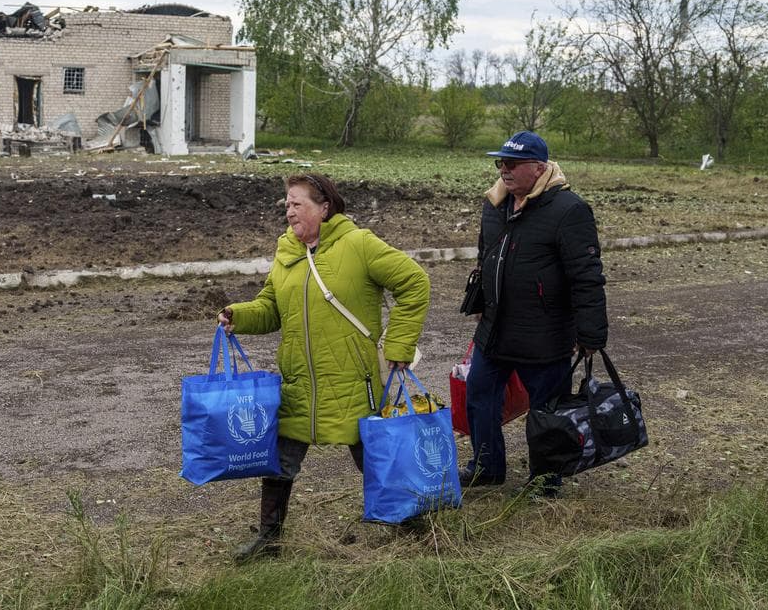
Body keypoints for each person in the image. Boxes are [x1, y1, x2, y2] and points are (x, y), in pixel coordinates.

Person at [217, 173, 430, 563]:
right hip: (299, 381)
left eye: (297, 203)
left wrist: (400, 344)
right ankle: (269, 537)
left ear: (324, 207)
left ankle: (412, 527)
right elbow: (270, 308)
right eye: (286, 203)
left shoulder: (359, 244)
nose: (288, 210)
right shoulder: (287, 253)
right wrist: (239, 315)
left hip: (353, 380)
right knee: (280, 460)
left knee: (374, 457)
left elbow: (415, 283)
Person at [460, 131, 607, 497]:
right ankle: (486, 466)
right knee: (478, 395)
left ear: (539, 167)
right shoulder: (494, 205)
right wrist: (480, 305)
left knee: (547, 412)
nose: (504, 171)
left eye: (512, 164)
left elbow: (586, 277)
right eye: (500, 163)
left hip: (545, 334)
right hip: (495, 330)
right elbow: (486, 259)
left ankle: (546, 478)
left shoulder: (569, 210)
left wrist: (591, 335)